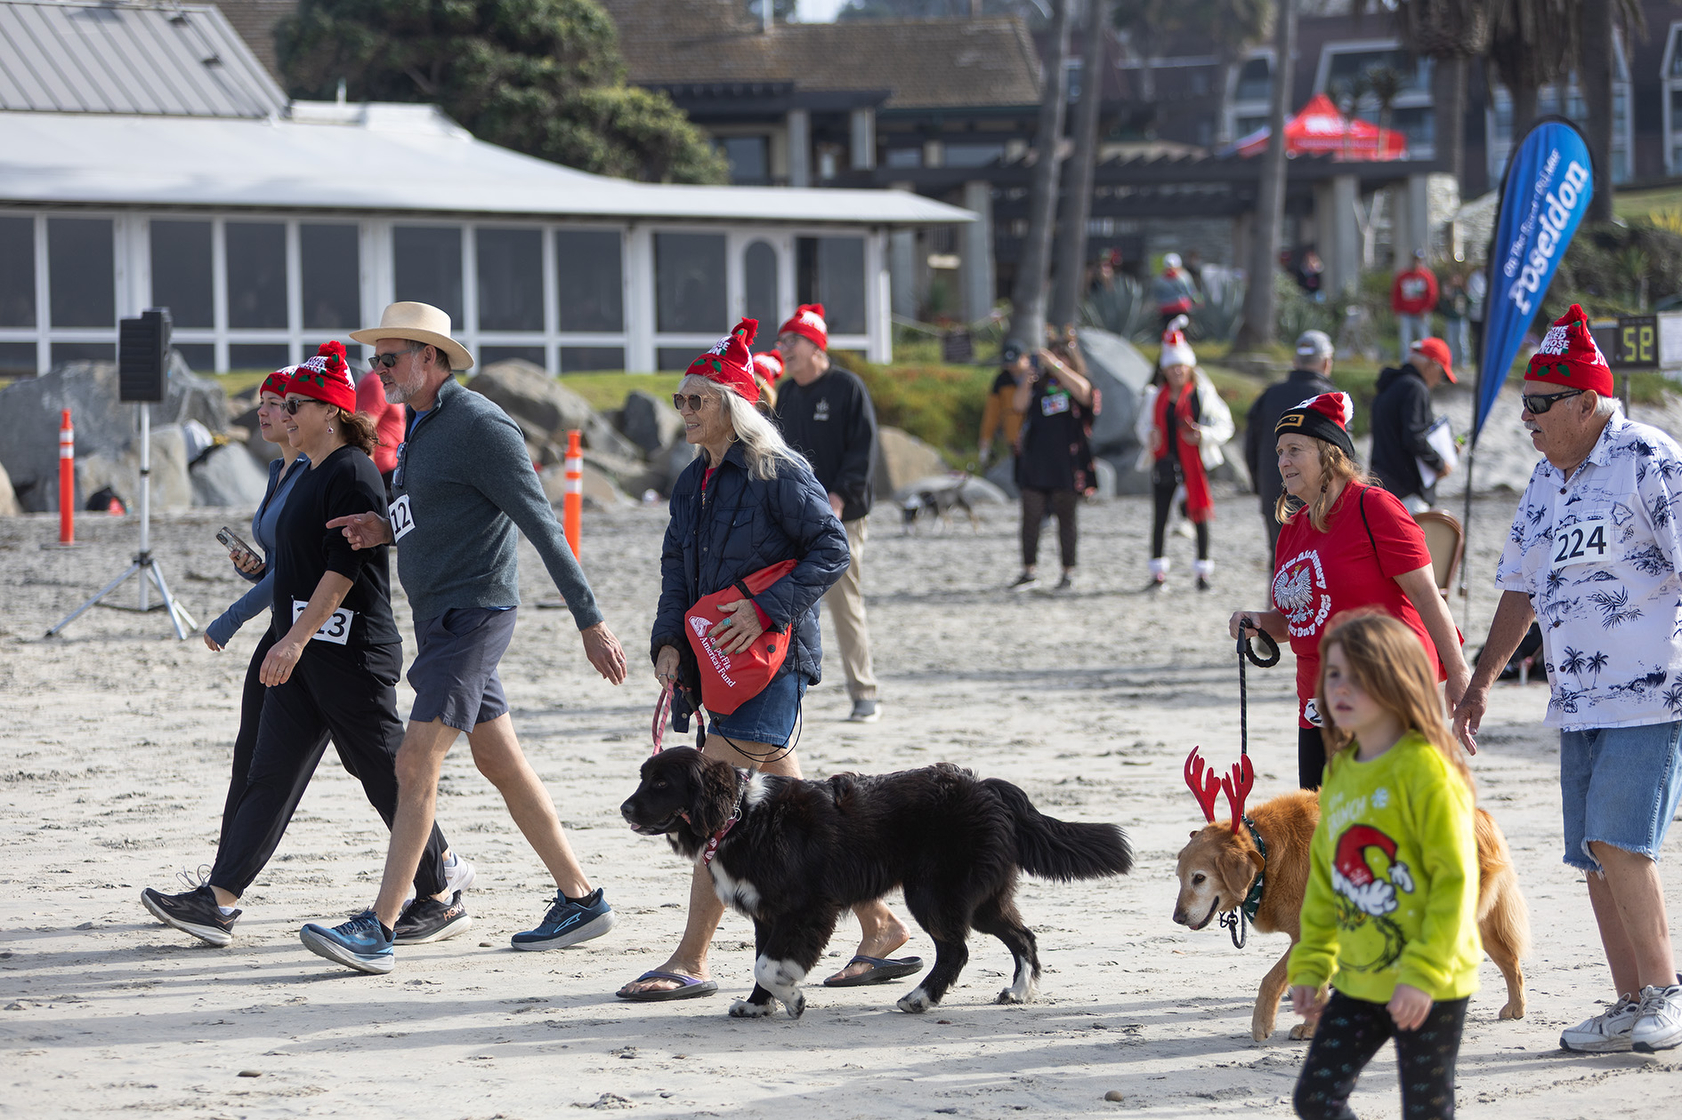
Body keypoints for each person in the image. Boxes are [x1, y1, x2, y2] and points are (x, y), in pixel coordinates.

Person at [299, 302, 629, 975]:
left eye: (388, 358)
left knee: (414, 760)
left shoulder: (481, 426)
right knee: (500, 763)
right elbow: (432, 512)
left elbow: (542, 525)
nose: (378, 369)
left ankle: (381, 924)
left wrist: (589, 620)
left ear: (430, 358)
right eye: (375, 359)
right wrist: (381, 527)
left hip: (475, 617)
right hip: (443, 622)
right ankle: (581, 898)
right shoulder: (421, 427)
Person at [617, 317, 915, 1000]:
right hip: (714, 664)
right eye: (680, 400)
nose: (685, 411)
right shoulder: (694, 481)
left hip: (769, 663)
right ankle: (882, 925)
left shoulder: (779, 469)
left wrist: (764, 608)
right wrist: (668, 643)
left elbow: (831, 549)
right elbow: (675, 570)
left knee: (714, 806)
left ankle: (691, 958)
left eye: (698, 399)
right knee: (804, 814)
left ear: (735, 406)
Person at [142, 344, 466, 948]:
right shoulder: (308, 472)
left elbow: (342, 572)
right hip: (306, 651)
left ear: (333, 412)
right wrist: (270, 608)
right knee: (269, 771)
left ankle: (441, 886)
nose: (285, 413)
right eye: (284, 404)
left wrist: (291, 639)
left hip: (351, 653)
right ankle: (219, 900)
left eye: (297, 405)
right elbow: (295, 569)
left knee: (382, 772)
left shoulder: (352, 472)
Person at [1453, 305, 1682, 1054]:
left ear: (1588, 402)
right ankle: (1628, 1001)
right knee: (1592, 854)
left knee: (1622, 843)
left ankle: (1665, 995)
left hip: (1651, 691)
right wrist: (1481, 681)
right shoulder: (1545, 482)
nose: (1527, 417)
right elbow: (1519, 587)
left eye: (1541, 404)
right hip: (1577, 699)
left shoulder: (1649, 457)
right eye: (1523, 403)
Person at [1290, 612, 1482, 1120]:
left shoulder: (1427, 770)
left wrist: (1421, 974)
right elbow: (1328, 883)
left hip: (1431, 981)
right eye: (1332, 673)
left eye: (1358, 674)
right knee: (1315, 1099)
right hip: (1359, 979)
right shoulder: (1339, 771)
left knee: (1426, 1110)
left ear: (1398, 680)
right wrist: (1310, 964)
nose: (1340, 687)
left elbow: (1454, 884)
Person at [1226, 392, 1469, 790]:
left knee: (1385, 828)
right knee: (1325, 829)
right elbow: (1299, 620)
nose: (1282, 461)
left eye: (1294, 450)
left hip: (1385, 694)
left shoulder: (1374, 508)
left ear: (1329, 454)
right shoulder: (1292, 529)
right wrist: (1256, 622)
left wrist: (1459, 673)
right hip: (1317, 705)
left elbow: (1427, 596)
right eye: (1279, 452)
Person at [773, 303, 883, 724]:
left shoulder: (847, 388)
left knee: (843, 601)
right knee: (783, 601)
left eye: (792, 341)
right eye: (781, 341)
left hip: (842, 517)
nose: (784, 349)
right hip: (795, 516)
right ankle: (780, 690)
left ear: (816, 346)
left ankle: (864, 692)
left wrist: (837, 497)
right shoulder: (787, 393)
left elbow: (863, 451)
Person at [1137, 315, 1232, 591]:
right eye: (1172, 367)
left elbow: (1225, 425)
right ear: (1165, 370)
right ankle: (1157, 573)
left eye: (1181, 367)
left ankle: (1202, 572)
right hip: (1165, 462)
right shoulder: (1155, 396)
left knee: (1199, 517)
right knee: (1160, 518)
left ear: (1189, 367)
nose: (1177, 372)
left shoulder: (1202, 394)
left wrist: (1202, 434)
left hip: (1194, 463)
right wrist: (1149, 435)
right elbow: (1143, 425)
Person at [1008, 335, 1097, 593]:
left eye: (1062, 355)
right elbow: (1018, 405)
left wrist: (1057, 365)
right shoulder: (1039, 383)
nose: (1055, 360)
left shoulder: (1077, 381)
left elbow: (1085, 394)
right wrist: (1027, 378)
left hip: (1067, 463)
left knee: (1066, 520)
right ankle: (1028, 570)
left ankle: (1068, 571)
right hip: (1036, 461)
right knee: (1031, 517)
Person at [1246, 331, 1338, 564]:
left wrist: (1259, 485)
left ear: (1295, 362)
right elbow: (1341, 453)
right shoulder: (1328, 398)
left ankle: (1274, 601)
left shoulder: (1269, 395)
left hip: (1274, 486)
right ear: (1327, 363)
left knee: (1279, 557)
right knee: (1317, 560)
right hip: (1318, 492)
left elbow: (1250, 447)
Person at [1370, 337, 1456, 512]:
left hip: (1381, 484)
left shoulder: (1389, 385)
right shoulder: (1415, 388)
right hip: (1407, 490)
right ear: (1432, 365)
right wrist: (1440, 463)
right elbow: (1413, 436)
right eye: (1442, 375)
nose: (1438, 381)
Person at [354, 363, 406, 496]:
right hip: (383, 470)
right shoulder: (377, 384)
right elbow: (364, 432)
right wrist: (370, 478)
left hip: (390, 467)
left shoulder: (385, 382)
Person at [978, 338, 1029, 468]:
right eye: (1008, 363)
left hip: (1037, 437)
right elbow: (992, 413)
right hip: (1014, 439)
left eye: (1014, 362)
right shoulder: (1002, 380)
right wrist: (985, 442)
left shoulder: (1038, 376)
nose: (1011, 367)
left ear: (1025, 357)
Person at [1391, 249, 1438, 361]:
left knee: (1424, 340)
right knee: (1405, 340)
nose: (1416, 262)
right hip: (1406, 313)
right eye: (1415, 260)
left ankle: (1426, 362)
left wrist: (1426, 309)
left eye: (1419, 260)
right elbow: (1396, 294)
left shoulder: (1426, 276)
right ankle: (1405, 362)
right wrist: (1397, 310)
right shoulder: (1403, 276)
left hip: (1421, 314)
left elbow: (1432, 294)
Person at [1153, 252, 1199, 334]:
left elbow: (1156, 295)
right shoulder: (1184, 277)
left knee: (1170, 331)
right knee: (1179, 331)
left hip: (1169, 309)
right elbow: (1192, 292)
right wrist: (1198, 301)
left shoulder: (1160, 279)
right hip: (1178, 308)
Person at [1439, 268, 1471, 373]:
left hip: (1461, 319)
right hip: (1451, 319)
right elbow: (1442, 305)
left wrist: (1466, 312)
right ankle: (1452, 361)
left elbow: (1470, 302)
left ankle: (1464, 362)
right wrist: (1446, 298)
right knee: (1451, 341)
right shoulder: (1449, 291)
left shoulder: (1463, 290)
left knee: (1462, 340)